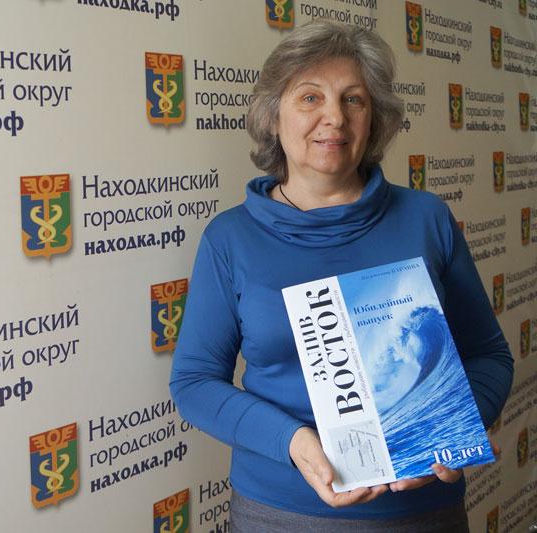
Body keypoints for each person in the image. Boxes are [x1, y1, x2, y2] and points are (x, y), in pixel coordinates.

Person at [169, 21, 513, 532]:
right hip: (280, 511)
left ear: (374, 120)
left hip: (424, 510)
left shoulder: (426, 218)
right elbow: (194, 382)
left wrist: (456, 426)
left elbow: (489, 355)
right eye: (310, 97)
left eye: (353, 100)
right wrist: (292, 442)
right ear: (273, 116)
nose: (334, 117)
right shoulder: (230, 238)